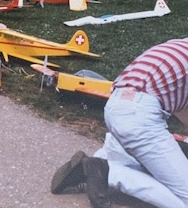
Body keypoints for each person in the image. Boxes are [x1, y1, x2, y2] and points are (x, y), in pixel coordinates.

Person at [51, 38, 188, 208]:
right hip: (140, 118)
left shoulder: (177, 46)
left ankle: (102, 160)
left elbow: (181, 107)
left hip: (117, 105)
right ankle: (107, 172)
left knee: (143, 164)